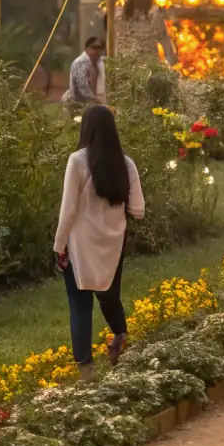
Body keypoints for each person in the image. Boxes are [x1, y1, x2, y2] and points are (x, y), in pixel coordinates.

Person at [53, 104, 145, 376]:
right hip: (113, 244)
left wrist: (58, 246)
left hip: (79, 246)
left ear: (86, 129)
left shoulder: (77, 161)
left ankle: (86, 370)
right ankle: (120, 336)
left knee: (80, 304)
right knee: (109, 296)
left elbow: (68, 209)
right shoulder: (126, 164)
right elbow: (138, 210)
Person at [65, 35, 106, 105]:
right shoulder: (80, 63)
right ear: (86, 49)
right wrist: (98, 101)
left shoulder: (99, 62)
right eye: (94, 48)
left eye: (100, 48)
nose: (97, 51)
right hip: (79, 104)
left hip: (92, 103)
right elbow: (82, 87)